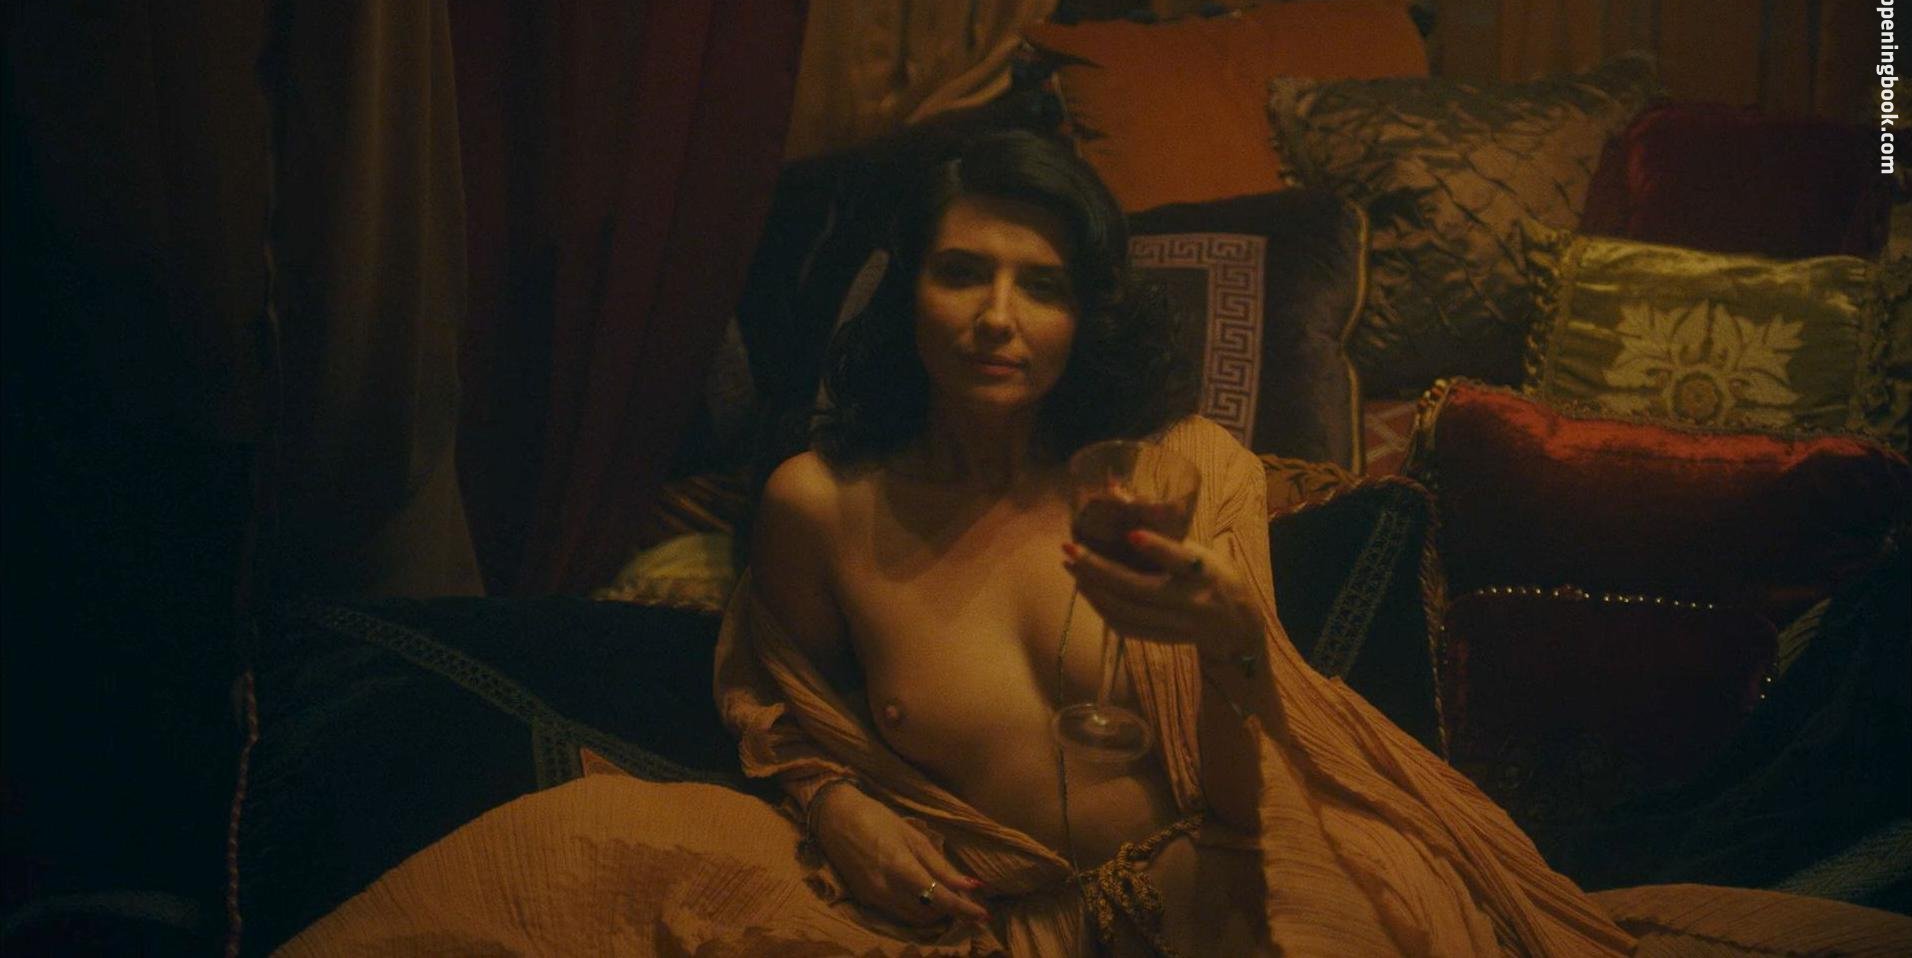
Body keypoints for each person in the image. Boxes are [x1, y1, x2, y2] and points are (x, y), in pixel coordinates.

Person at [281, 132, 1912, 956]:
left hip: (1235, 892)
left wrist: (1228, 637)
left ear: (1088, 315)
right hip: (999, 921)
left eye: (1044, 283)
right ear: (905, 293)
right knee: (567, 866)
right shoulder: (816, 506)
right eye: (963, 272)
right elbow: (777, 707)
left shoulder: (1181, 468)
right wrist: (839, 807)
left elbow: (1276, 773)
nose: (999, 316)